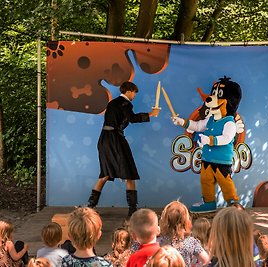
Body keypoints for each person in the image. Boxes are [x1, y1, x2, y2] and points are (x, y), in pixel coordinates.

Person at [87, 81, 160, 217]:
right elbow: (131, 118)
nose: (134, 95)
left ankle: (89, 208)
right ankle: (132, 210)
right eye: (134, 93)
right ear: (128, 91)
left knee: (105, 174)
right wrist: (151, 114)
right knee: (129, 174)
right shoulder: (125, 103)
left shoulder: (112, 103)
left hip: (104, 140)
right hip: (115, 140)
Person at [171, 77, 243, 213]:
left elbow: (227, 139)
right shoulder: (210, 119)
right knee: (206, 181)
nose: (211, 98)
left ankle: (233, 203)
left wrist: (210, 140)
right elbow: (197, 126)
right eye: (213, 94)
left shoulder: (229, 122)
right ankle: (209, 202)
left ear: (230, 101)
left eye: (218, 95)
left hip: (222, 161)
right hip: (207, 160)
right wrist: (182, 122)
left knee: (225, 182)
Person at [158, 201, 209, 266]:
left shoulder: (160, 241)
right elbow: (206, 261)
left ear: (165, 219)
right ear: (186, 220)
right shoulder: (191, 242)